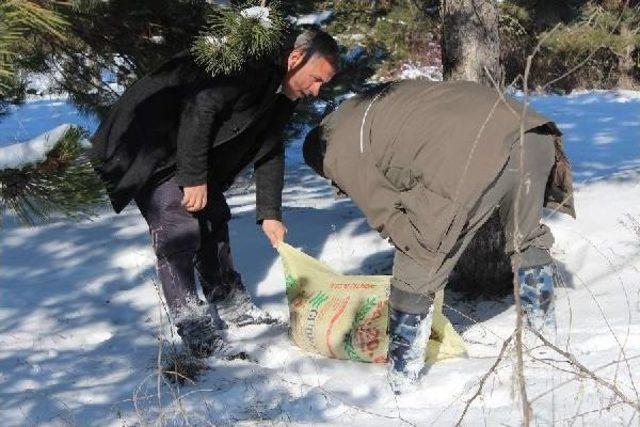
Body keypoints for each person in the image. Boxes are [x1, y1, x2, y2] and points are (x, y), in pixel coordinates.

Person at [302, 79, 575, 391]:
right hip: (533, 134)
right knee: (526, 241)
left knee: (417, 259)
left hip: (475, 152)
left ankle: (402, 380)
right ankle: (544, 343)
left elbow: (385, 212)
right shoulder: (373, 105)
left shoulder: (335, 145)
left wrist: (419, 247)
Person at [91, 27, 339, 357]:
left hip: (188, 149)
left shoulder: (283, 91)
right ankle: (193, 324)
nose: (317, 91)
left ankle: (230, 302)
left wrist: (269, 213)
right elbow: (200, 106)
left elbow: (270, 147)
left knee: (214, 216)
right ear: (295, 58)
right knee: (179, 226)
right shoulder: (250, 64)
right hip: (147, 144)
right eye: (316, 78)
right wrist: (193, 178)